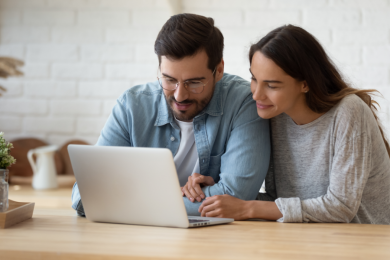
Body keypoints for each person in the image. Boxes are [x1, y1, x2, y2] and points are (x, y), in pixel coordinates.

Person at [71, 13, 270, 216]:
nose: (180, 95)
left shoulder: (243, 102)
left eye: (194, 83)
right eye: (169, 79)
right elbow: (85, 194)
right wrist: (182, 196)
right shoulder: (131, 106)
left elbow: (237, 196)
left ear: (218, 70)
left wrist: (130, 201)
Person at [198, 25, 390, 224]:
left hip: (365, 242)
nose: (256, 94)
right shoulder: (276, 115)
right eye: (254, 79)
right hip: (309, 240)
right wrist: (221, 193)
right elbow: (280, 204)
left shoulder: (349, 112)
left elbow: (340, 208)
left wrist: (248, 207)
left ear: (305, 83)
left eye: (272, 85)